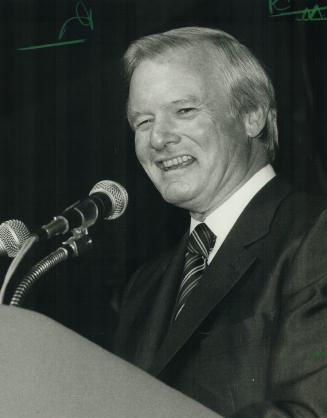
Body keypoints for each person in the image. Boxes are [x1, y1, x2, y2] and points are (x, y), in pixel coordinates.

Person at [113, 27, 327, 417]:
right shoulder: (144, 287)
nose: (158, 138)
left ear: (252, 115)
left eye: (184, 110)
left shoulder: (315, 235)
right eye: (142, 122)